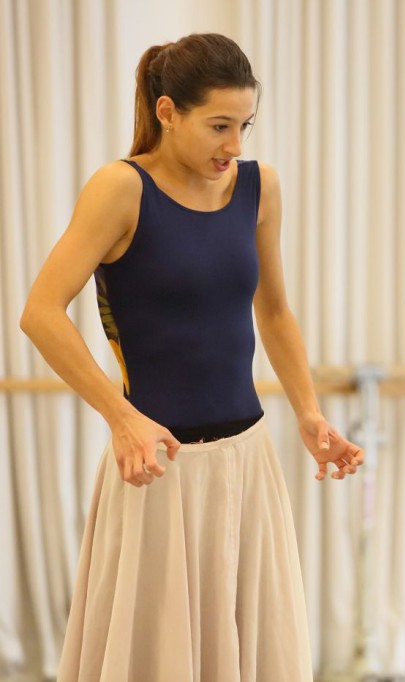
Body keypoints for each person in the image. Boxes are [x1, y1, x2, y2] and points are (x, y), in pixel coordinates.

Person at [19, 33, 363, 681]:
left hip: (248, 462)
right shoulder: (120, 188)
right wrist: (122, 418)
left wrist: (310, 415)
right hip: (159, 469)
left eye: (246, 126)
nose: (235, 146)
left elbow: (276, 311)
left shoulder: (260, 188)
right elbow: (40, 312)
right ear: (168, 111)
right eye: (219, 126)